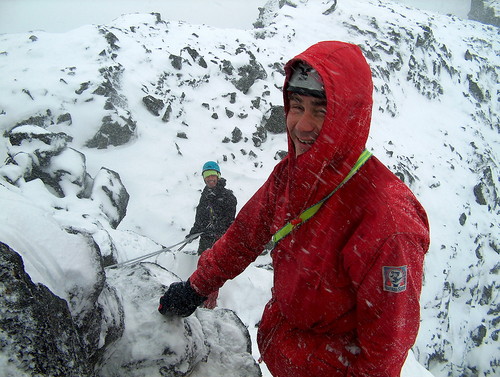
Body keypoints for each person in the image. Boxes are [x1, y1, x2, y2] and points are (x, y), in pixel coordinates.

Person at [158, 41, 430, 376]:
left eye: (320, 111)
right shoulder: (290, 176)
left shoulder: (387, 219)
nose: (301, 124)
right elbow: (245, 236)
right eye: (296, 106)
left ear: (349, 117)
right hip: (290, 354)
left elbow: (386, 344)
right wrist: (195, 287)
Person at [185, 160, 237, 308]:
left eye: (212, 175)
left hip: (219, 240)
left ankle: (209, 304)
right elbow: (200, 218)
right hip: (205, 239)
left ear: (218, 176)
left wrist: (214, 229)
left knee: (213, 272)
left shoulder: (228, 197)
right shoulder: (205, 195)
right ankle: (199, 299)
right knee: (202, 270)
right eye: (206, 175)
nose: (209, 178)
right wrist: (193, 233)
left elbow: (229, 222)